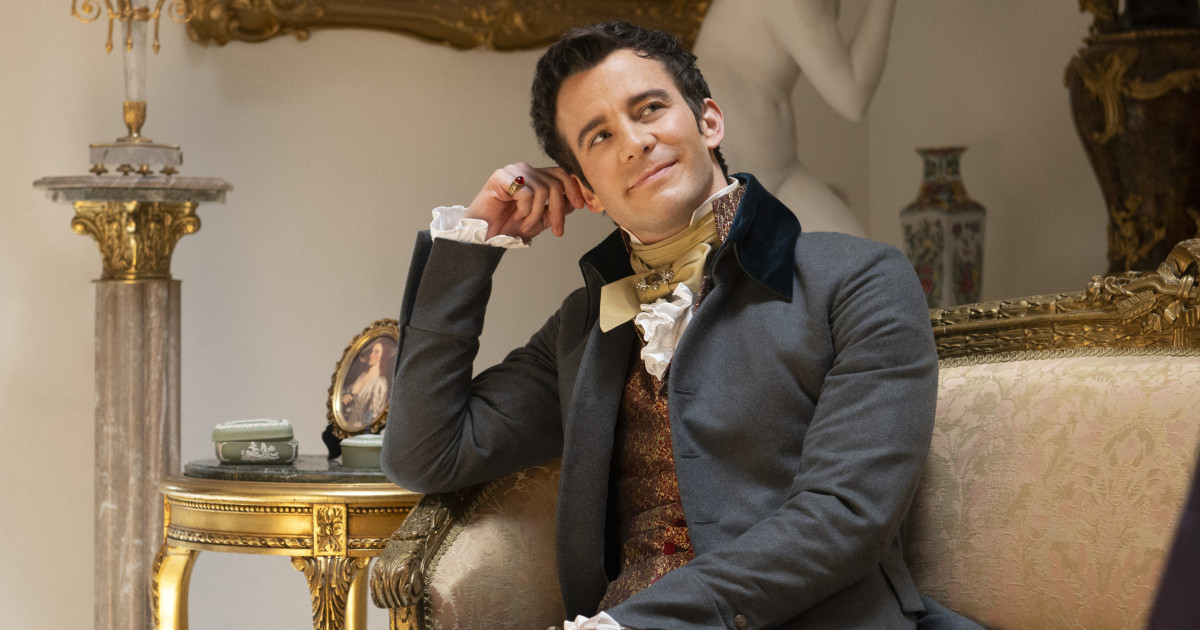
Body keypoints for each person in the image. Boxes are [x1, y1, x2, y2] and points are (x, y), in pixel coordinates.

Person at [382, 20, 978, 629]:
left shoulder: (859, 279)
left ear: (709, 121)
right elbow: (426, 452)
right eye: (599, 136)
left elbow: (844, 518)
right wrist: (475, 241)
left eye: (650, 109)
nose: (635, 142)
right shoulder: (584, 324)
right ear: (586, 189)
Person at [693, 0, 896, 235]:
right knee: (730, 254)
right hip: (730, 151)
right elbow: (853, 97)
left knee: (856, 253)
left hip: (777, 160)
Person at [341, 339, 390, 431]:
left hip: (361, 432)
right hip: (346, 427)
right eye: (371, 352)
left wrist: (360, 427)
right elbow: (345, 393)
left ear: (383, 355)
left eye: (376, 352)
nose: (371, 355)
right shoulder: (361, 376)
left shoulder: (380, 382)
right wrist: (343, 398)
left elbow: (374, 414)